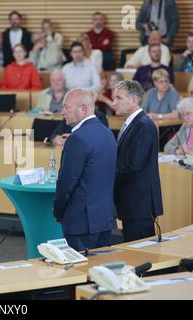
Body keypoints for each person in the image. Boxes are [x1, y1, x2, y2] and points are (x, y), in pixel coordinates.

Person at [53, 89, 117, 251]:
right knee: (100, 273)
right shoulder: (108, 133)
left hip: (80, 223)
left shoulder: (77, 139)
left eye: (66, 107)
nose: (62, 112)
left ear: (83, 108)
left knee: (79, 273)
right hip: (105, 220)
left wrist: (58, 212)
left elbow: (66, 183)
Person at [113, 80, 163, 242]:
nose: (114, 103)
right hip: (132, 203)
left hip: (139, 205)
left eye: (119, 98)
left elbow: (132, 164)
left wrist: (106, 175)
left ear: (134, 100)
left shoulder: (143, 125)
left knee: (141, 254)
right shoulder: (134, 123)